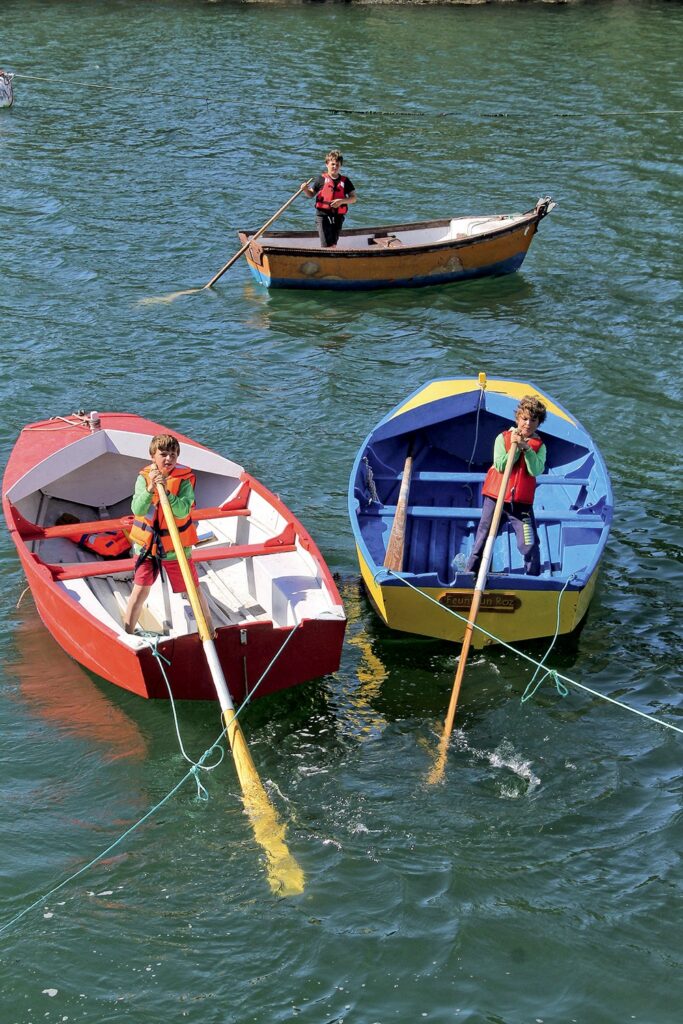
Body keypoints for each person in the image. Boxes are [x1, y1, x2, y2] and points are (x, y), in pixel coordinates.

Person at [123, 433, 215, 636]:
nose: (168, 459)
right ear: (152, 456)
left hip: (176, 547)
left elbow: (183, 510)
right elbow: (138, 509)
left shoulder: (184, 480)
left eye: (173, 454)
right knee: (140, 589)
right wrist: (150, 489)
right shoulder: (144, 478)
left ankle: (209, 630)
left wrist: (168, 493)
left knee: (193, 590)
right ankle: (127, 632)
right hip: (147, 547)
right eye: (163, 454)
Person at [466, 396, 547, 578]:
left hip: (521, 505)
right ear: (518, 418)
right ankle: (470, 573)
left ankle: (533, 579)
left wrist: (526, 449)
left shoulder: (539, 446)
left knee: (529, 543)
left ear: (538, 423)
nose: (528, 423)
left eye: (533, 420)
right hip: (495, 499)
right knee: (483, 537)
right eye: (524, 418)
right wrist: (515, 447)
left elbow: (535, 470)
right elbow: (501, 465)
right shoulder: (503, 438)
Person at [302, 149, 357, 249]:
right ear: (327, 164)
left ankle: (331, 259)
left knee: (333, 244)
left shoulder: (346, 181)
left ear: (340, 166)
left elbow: (353, 198)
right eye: (332, 164)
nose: (335, 167)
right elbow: (310, 194)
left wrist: (342, 201)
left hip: (338, 217)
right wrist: (305, 189)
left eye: (337, 165)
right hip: (322, 215)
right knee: (326, 245)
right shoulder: (320, 179)